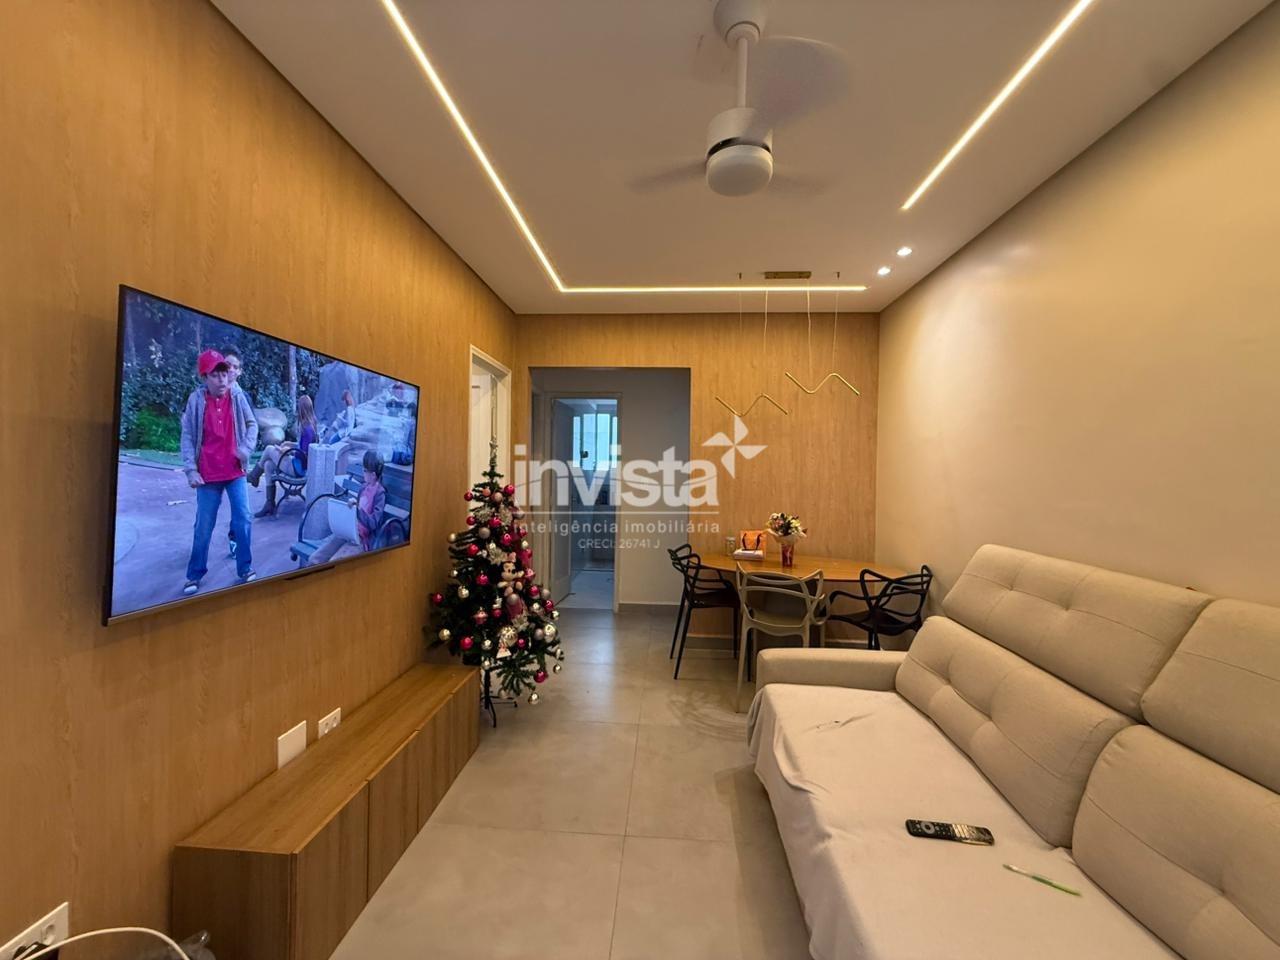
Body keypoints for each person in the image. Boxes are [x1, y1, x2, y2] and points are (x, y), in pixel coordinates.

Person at [179, 349, 259, 594]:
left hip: (235, 472)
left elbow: (252, 424)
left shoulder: (237, 396)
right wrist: (190, 470)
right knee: (204, 526)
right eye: (215, 375)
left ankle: (245, 568)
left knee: (243, 518)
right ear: (204, 377)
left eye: (224, 373)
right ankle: (194, 575)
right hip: (207, 475)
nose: (222, 379)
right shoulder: (196, 401)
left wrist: (245, 449)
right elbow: (187, 436)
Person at [247, 394, 318, 517]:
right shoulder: (310, 425)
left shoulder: (307, 429)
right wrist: (290, 444)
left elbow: (304, 454)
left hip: (297, 469)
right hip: (298, 465)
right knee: (268, 465)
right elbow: (303, 447)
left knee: (269, 449)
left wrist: (287, 451)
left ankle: (254, 476)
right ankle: (269, 504)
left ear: (301, 409)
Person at [356, 450, 387, 552]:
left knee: (337, 558)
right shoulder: (363, 488)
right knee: (319, 556)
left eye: (365, 470)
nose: (363, 472)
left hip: (363, 539)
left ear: (373, 475)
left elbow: (373, 523)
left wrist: (357, 511)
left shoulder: (379, 494)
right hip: (352, 532)